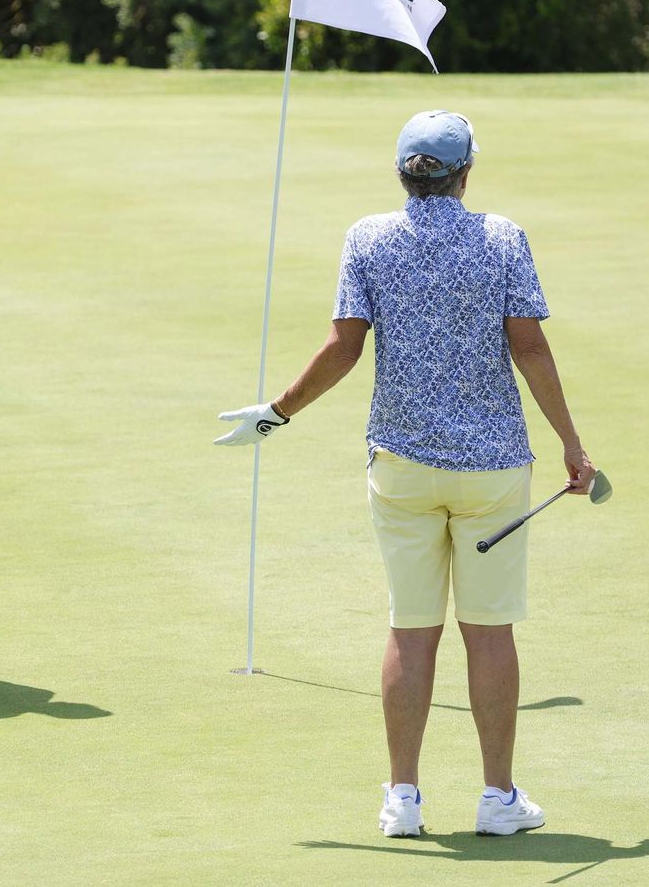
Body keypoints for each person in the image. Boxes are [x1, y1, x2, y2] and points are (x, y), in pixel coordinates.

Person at [214, 111, 596, 837]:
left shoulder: (367, 239)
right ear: (465, 173)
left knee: (411, 629)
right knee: (488, 632)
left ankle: (403, 799)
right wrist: (574, 448)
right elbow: (531, 350)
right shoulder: (503, 238)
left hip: (402, 466)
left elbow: (342, 348)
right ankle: (497, 799)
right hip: (492, 471)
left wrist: (276, 413)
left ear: (402, 173)